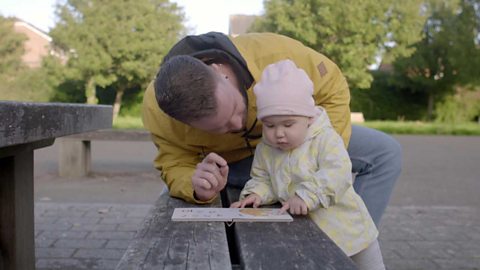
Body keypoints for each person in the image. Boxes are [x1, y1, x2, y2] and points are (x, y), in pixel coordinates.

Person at [142, 31, 402, 225]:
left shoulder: (276, 55)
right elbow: (174, 164)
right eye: (218, 129)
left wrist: (315, 152)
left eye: (235, 111)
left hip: (299, 140)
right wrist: (195, 186)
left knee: (385, 153)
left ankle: (350, 237)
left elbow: (333, 87)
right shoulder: (159, 111)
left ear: (220, 70)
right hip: (233, 169)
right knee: (173, 197)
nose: (236, 125)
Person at [230, 59, 385, 269]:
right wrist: (255, 194)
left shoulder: (324, 139)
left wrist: (307, 194)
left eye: (288, 124)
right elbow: (263, 177)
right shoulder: (266, 149)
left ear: (309, 118)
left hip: (350, 232)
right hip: (311, 236)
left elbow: (338, 172)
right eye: (270, 125)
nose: (279, 133)